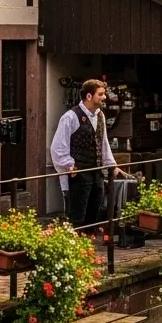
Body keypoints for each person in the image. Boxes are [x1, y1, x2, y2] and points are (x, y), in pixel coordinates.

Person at [50, 79, 129, 228]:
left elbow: (103, 143)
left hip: (96, 172)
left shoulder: (100, 116)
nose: (104, 97)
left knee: (93, 213)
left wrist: (111, 165)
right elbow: (58, 147)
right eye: (100, 94)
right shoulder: (71, 117)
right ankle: (76, 246)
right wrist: (69, 166)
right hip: (78, 174)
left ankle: (89, 245)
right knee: (77, 215)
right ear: (88, 96)